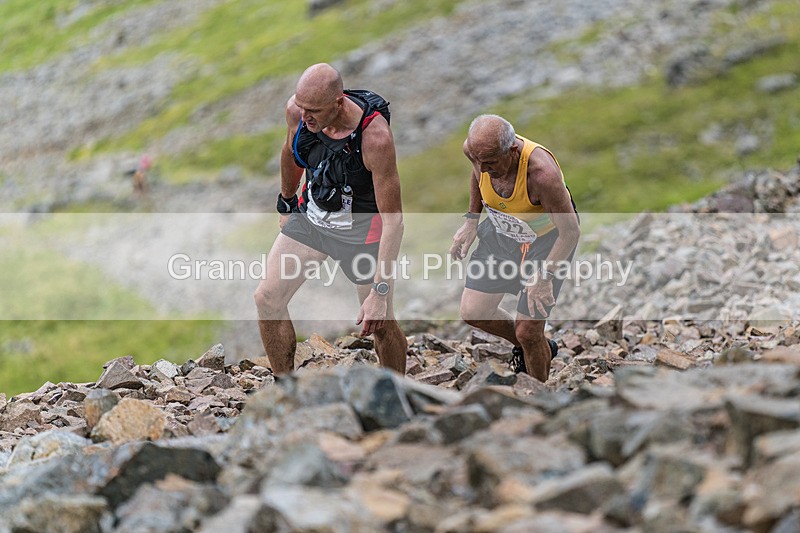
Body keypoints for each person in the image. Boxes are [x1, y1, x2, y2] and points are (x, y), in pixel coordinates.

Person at [254, 63, 406, 376]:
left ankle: (399, 392)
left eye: (314, 111)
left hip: (361, 232)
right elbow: (291, 153)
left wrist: (380, 292)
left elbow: (394, 222)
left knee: (380, 323)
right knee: (267, 298)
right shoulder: (297, 113)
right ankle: (285, 388)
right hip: (312, 218)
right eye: (301, 106)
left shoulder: (375, 137)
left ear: (338, 103)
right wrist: (286, 203)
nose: (305, 116)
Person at [449, 114, 580, 382]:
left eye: (491, 163)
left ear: (512, 150)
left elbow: (570, 232)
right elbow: (478, 176)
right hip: (502, 231)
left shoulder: (542, 174)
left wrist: (545, 276)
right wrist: (472, 221)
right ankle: (537, 347)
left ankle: (538, 395)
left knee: (529, 331)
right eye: (478, 160)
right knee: (474, 312)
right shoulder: (477, 153)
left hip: (547, 241)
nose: (484, 169)